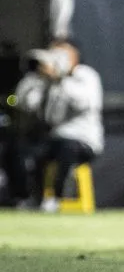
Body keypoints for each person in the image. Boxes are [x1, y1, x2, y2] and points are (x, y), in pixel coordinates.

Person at [14, 40, 103, 212]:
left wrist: (61, 79)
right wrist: (36, 78)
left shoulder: (86, 75)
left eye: (61, 55)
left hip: (83, 140)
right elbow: (26, 104)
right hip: (53, 138)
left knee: (66, 147)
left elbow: (84, 103)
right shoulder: (45, 79)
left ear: (74, 57)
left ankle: (56, 197)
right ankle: (28, 197)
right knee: (19, 149)